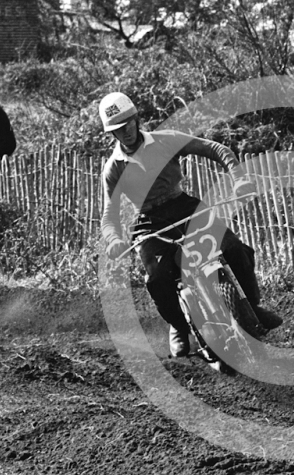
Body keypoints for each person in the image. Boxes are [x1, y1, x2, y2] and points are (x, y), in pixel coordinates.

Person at [98, 91, 281, 358]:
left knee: (232, 246)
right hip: (149, 223)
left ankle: (251, 306)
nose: (124, 132)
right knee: (158, 279)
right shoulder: (113, 168)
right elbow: (109, 214)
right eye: (116, 129)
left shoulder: (165, 140)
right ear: (111, 133)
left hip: (183, 206)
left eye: (127, 124)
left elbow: (216, 148)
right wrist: (114, 239)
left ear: (136, 120)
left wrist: (239, 177)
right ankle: (179, 327)